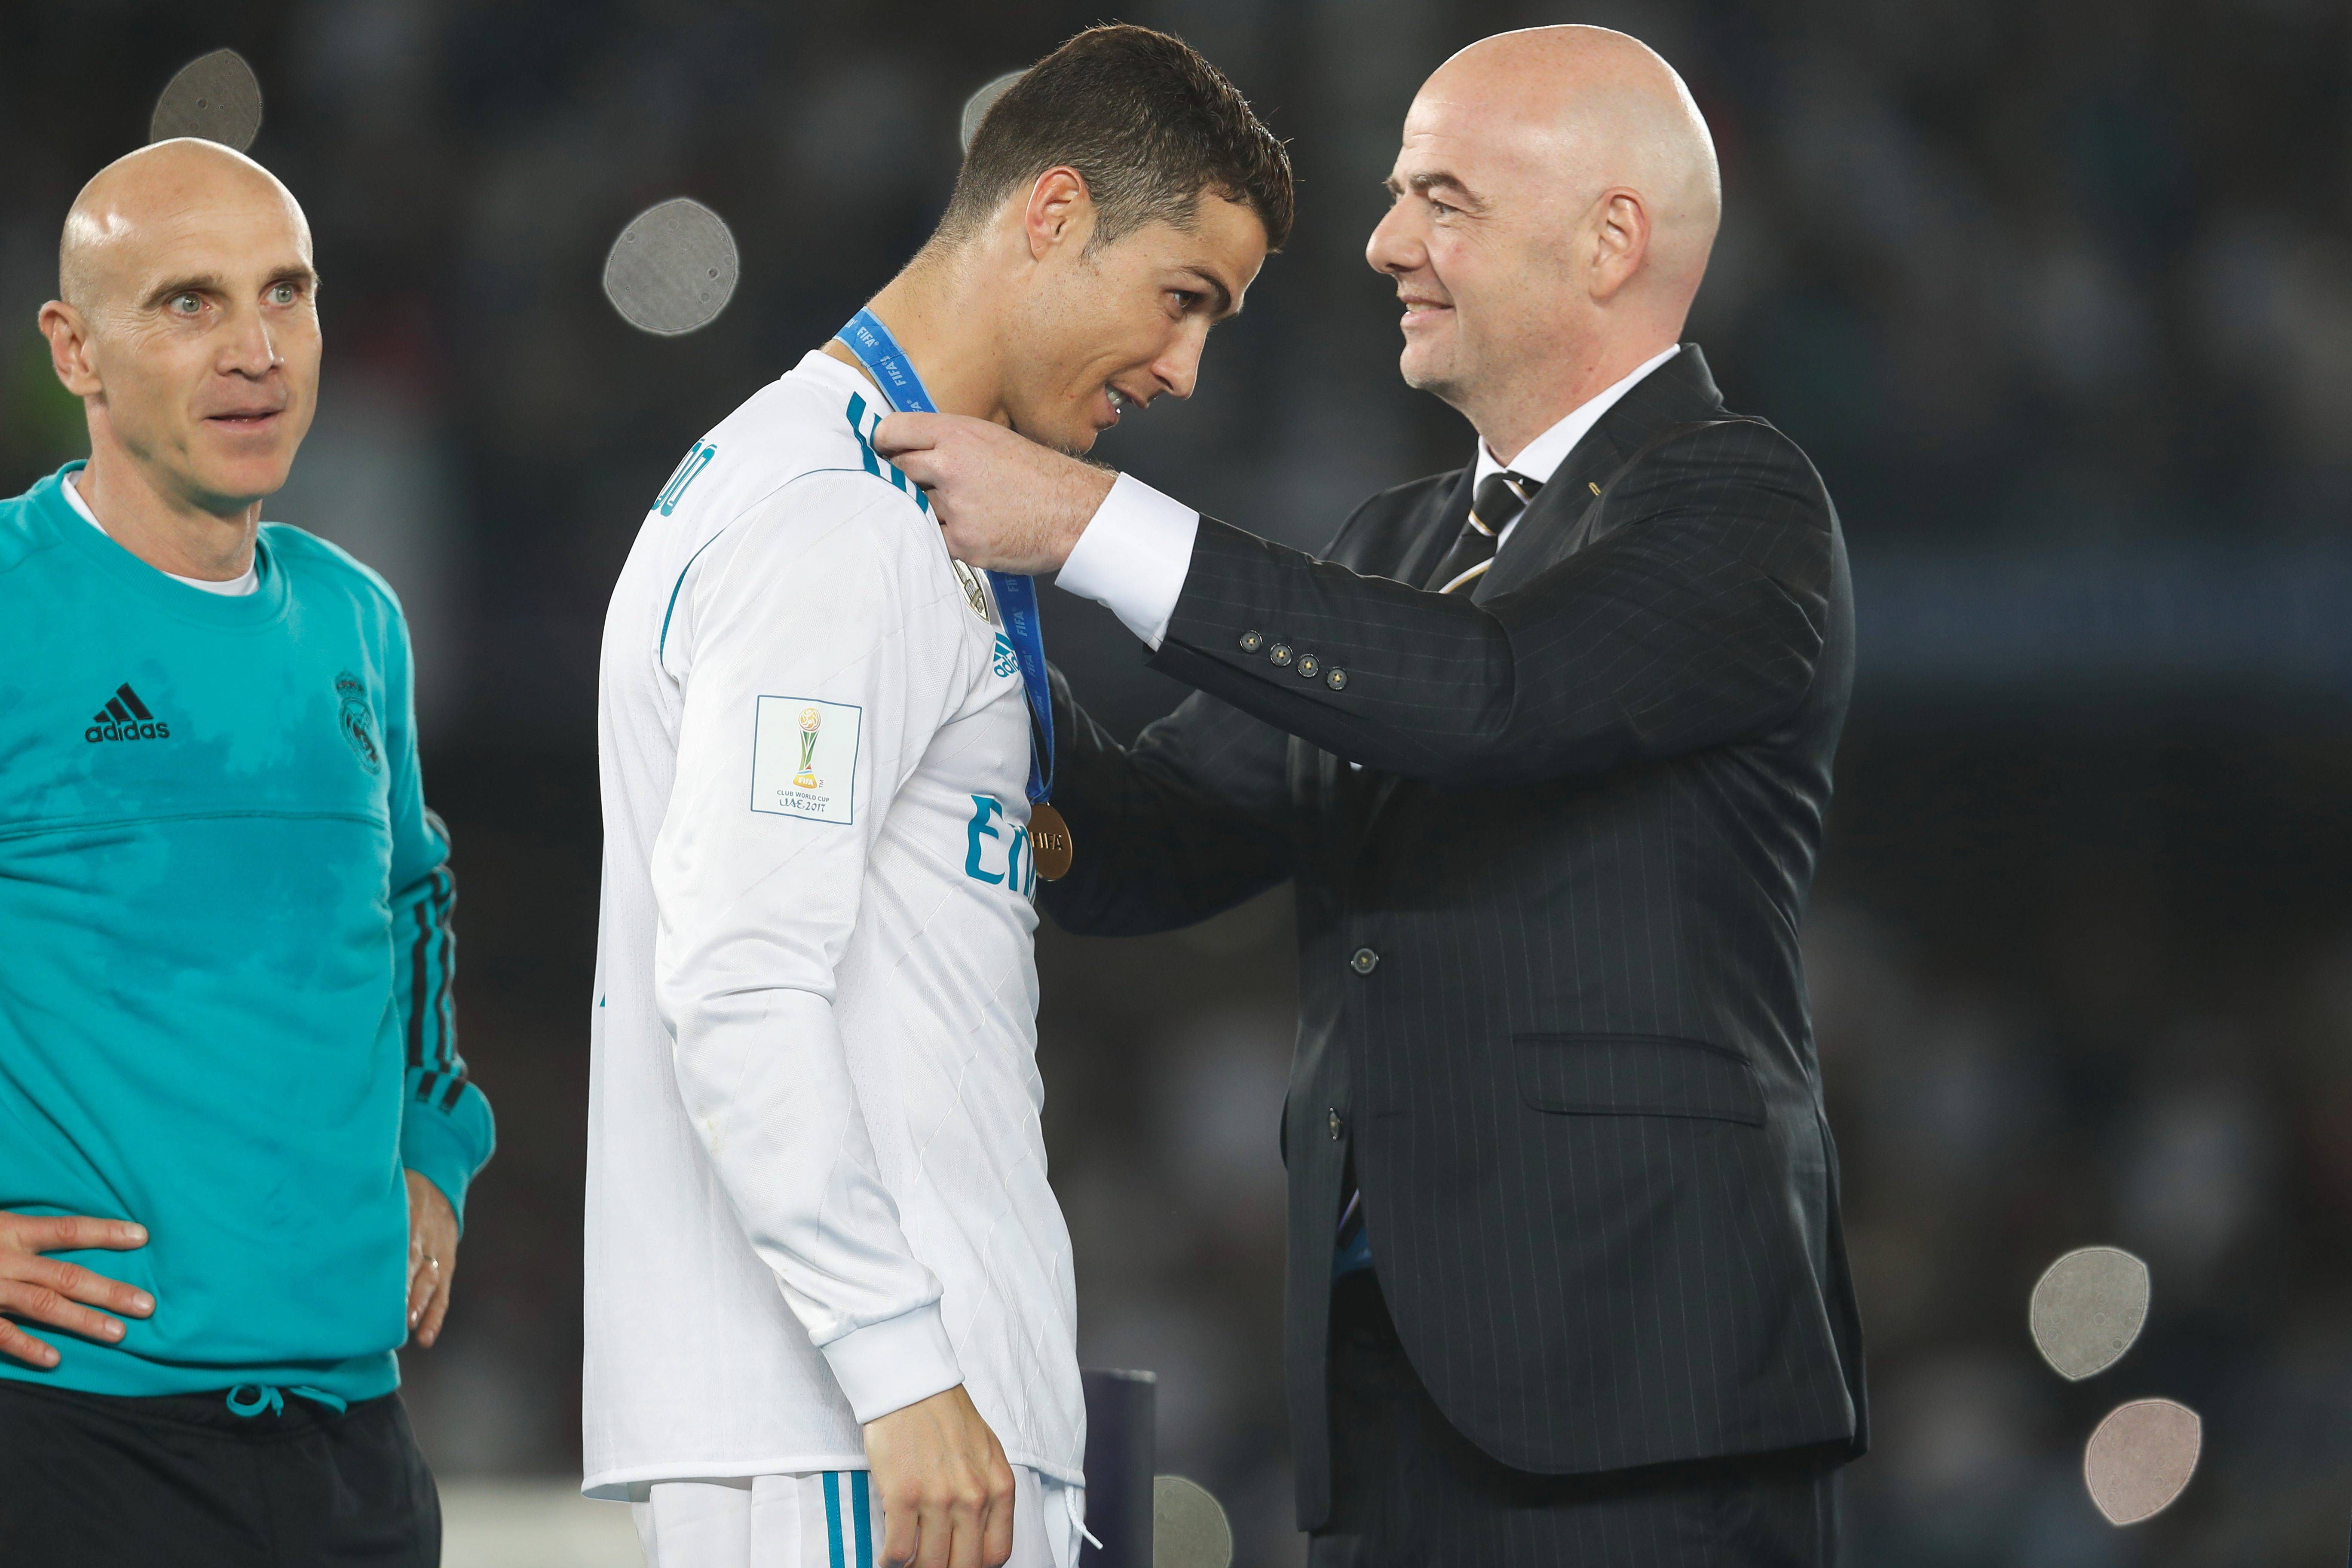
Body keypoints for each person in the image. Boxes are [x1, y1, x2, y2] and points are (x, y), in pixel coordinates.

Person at [877, 24, 1864, 1567]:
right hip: (1382, 1404)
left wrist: (1089, 524)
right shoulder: (1396, 546)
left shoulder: (1744, 504)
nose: (1386, 242)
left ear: (1613, 239)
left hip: (1649, 1408)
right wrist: (948, 632)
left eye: (1444, 201)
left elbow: (1492, 696)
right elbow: (1143, 845)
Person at [584, 25, 1289, 1568]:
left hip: (902, 1420)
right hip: (857, 1436)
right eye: (1183, 299)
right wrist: (903, 1367)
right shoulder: (830, 522)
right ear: (1050, 216)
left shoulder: (882, 498)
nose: (1185, 369)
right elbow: (739, 973)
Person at [0, 140, 493, 1566]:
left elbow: (411, 907)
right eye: (188, 304)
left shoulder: (358, 623)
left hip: (354, 1450)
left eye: (287, 292)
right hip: (70, 1442)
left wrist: (430, 1148)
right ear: (74, 351)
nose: (257, 351)